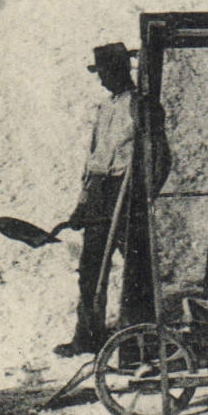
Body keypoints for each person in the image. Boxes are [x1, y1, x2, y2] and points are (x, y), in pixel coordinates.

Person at [55, 43, 137, 358]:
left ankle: (135, 342)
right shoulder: (105, 109)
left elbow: (159, 159)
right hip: (101, 191)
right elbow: (93, 159)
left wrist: (140, 197)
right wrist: (83, 202)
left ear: (119, 70)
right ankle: (88, 337)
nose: (101, 80)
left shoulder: (139, 107)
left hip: (125, 192)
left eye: (103, 73)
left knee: (136, 270)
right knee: (90, 266)